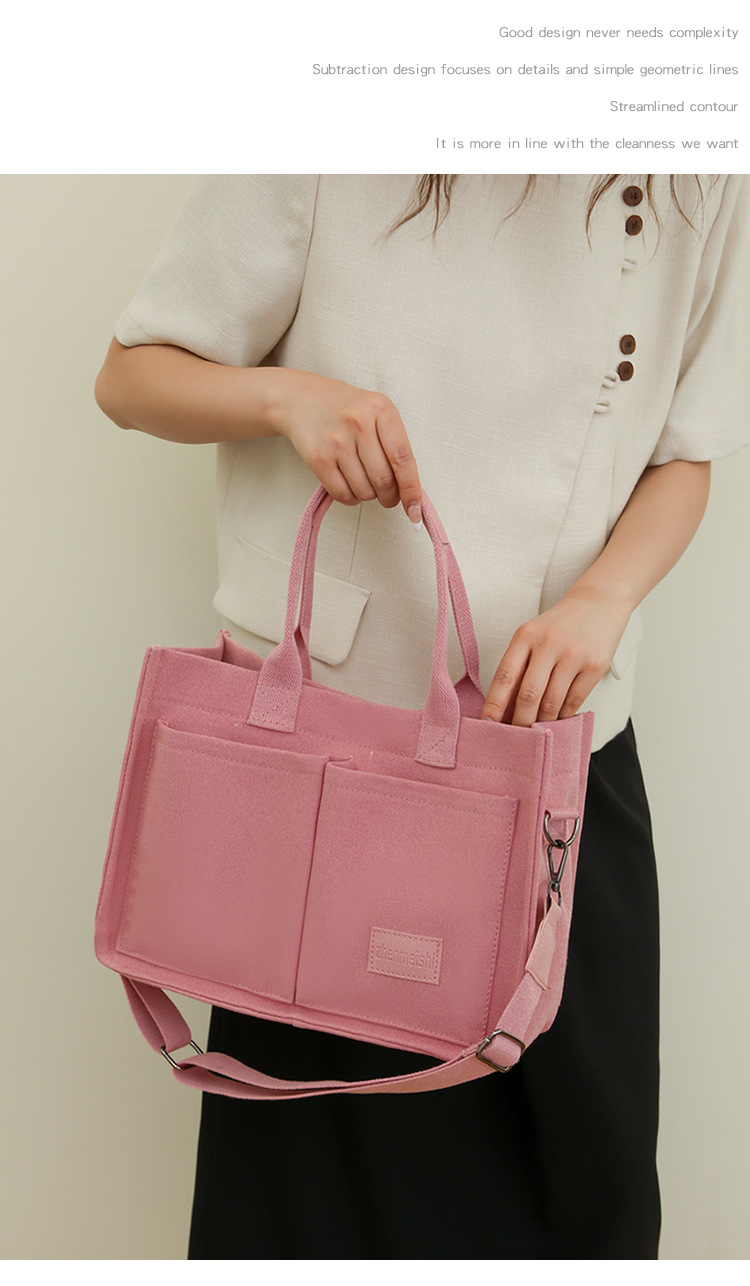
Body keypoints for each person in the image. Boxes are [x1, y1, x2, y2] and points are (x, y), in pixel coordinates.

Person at [95, 173, 747, 1259]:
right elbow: (130, 375)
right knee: (320, 1213)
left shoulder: (697, 172)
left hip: (559, 762)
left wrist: (604, 598)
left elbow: (684, 451)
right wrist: (291, 400)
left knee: (584, 1196)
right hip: (333, 781)